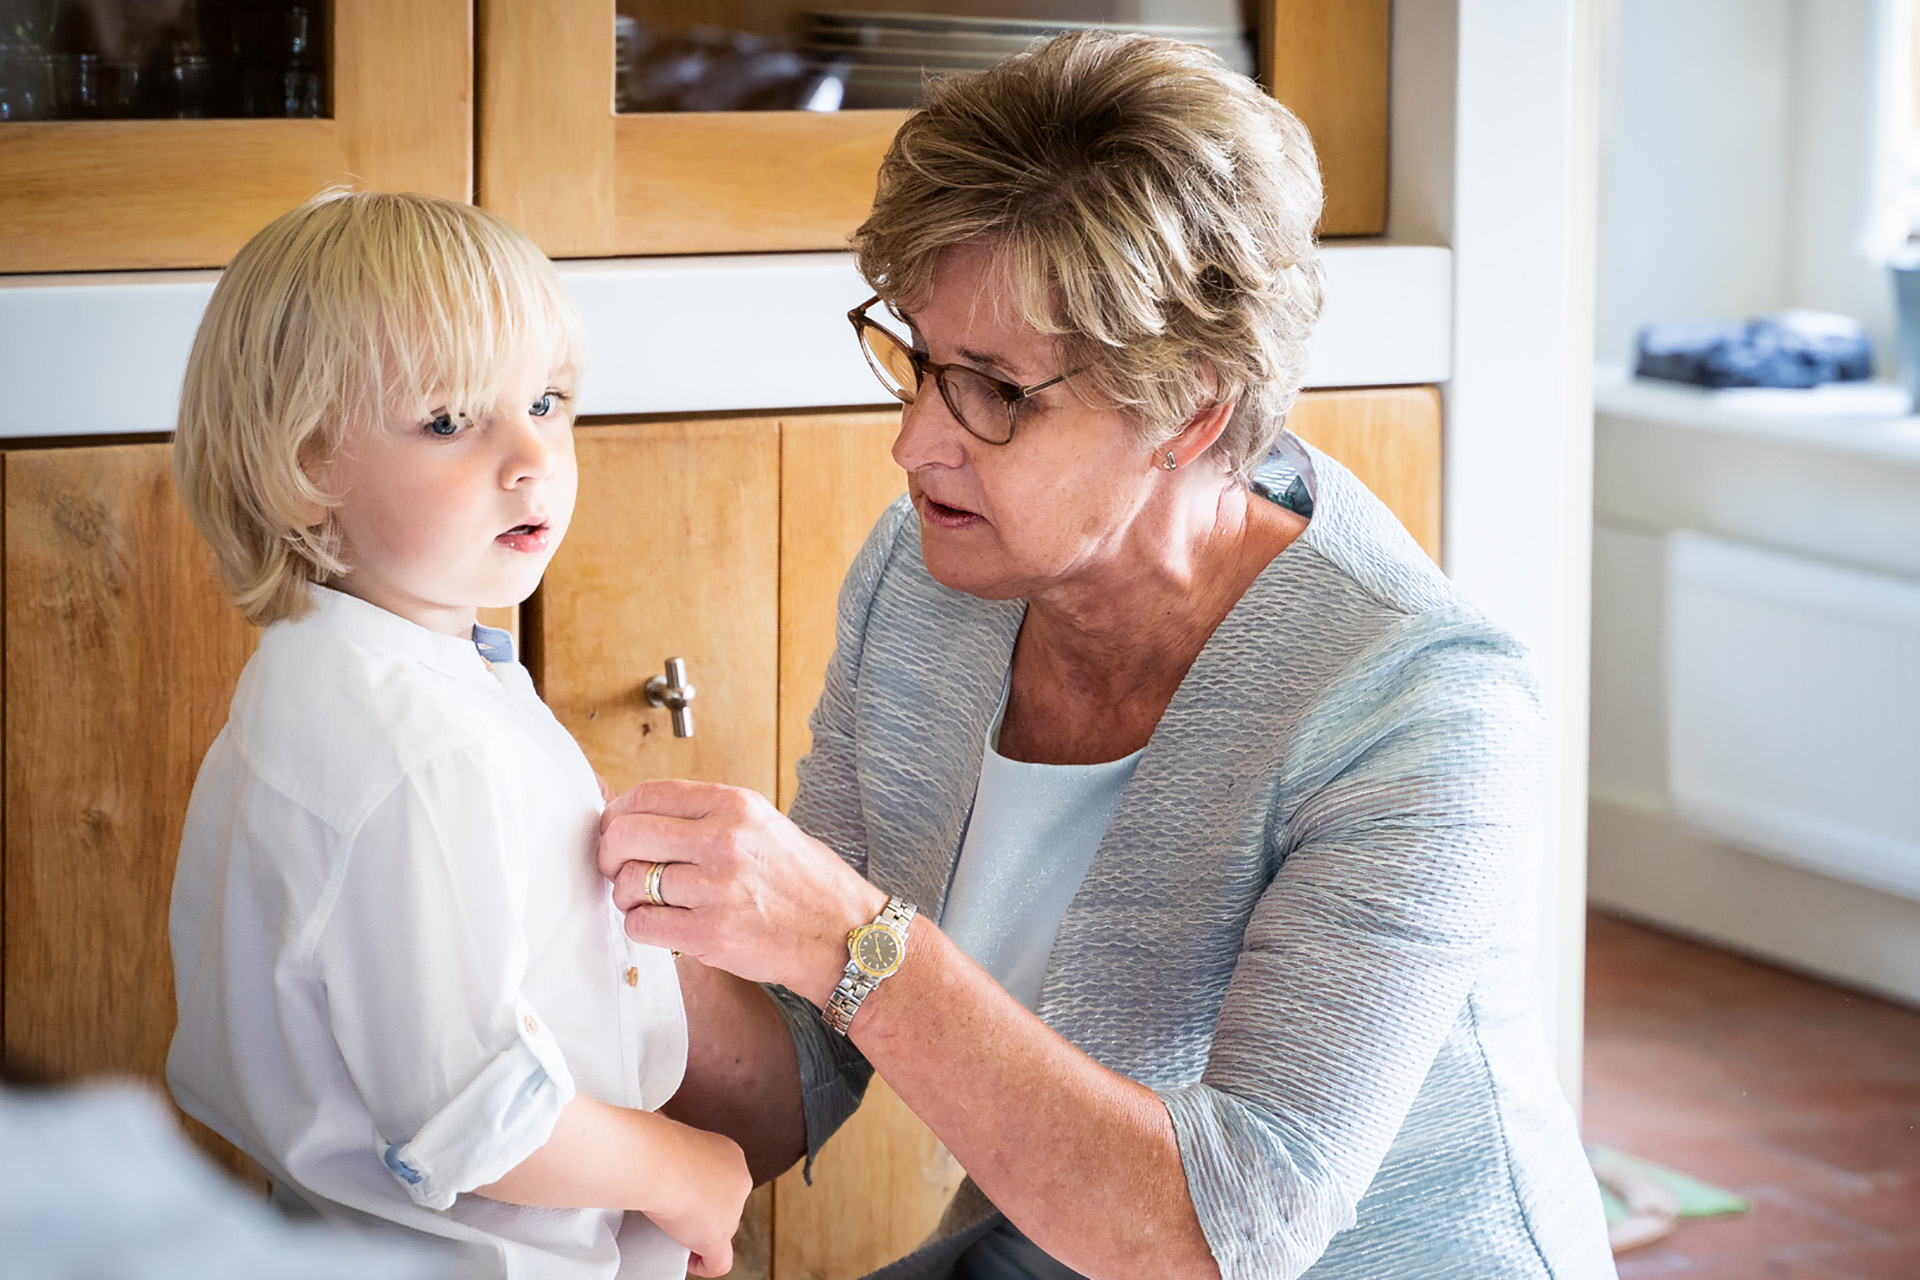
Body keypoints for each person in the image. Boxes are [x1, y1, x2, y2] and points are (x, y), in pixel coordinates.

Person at [603, 31, 1617, 1280]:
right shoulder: (922, 584)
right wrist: (581, 929)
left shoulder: (1422, 702)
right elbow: (810, 1062)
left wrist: (854, 941)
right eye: (918, 362)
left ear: (1190, 406)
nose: (915, 441)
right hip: (1061, 1245)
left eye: (994, 389)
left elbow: (1222, 1232)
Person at [165, 191, 751, 1280]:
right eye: (449, 420)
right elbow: (476, 1118)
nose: (532, 457)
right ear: (302, 471)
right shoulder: (415, 748)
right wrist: (684, 1167)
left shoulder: (326, 676)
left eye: (546, 399)